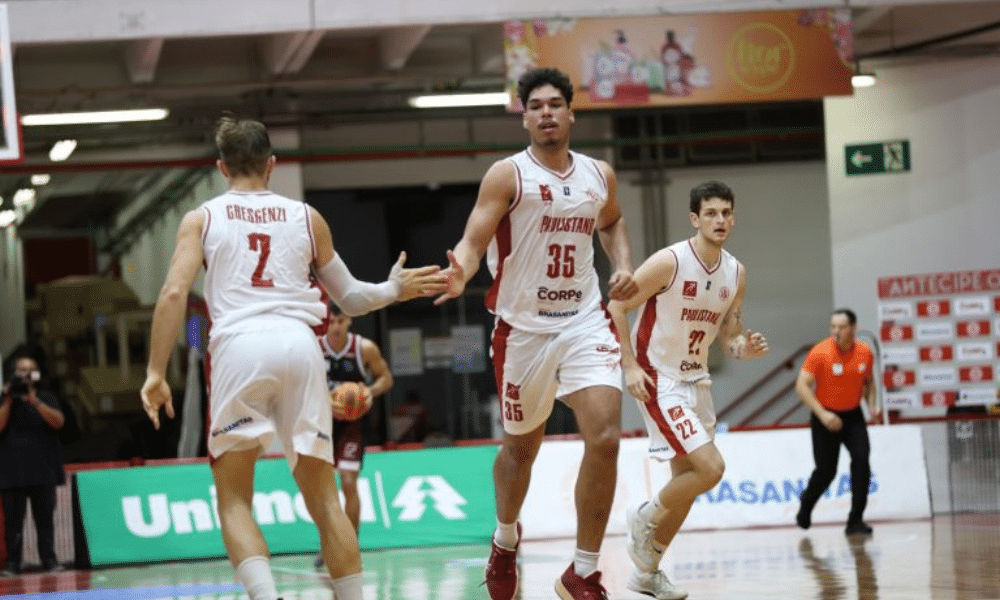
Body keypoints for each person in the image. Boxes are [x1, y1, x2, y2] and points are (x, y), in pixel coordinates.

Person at [140, 116, 446, 600]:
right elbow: (350, 297)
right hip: (301, 345)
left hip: (239, 346)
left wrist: (156, 373)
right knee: (325, 499)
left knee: (234, 499)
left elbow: (175, 293)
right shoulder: (306, 217)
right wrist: (392, 289)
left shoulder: (201, 218)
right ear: (272, 165)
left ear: (222, 168)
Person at [435, 67, 638, 600]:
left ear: (571, 113)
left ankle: (582, 572)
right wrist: (461, 270)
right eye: (536, 106)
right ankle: (505, 540)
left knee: (606, 438)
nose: (546, 113)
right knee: (520, 452)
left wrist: (622, 264)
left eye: (555, 104)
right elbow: (474, 239)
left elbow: (612, 222)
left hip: (584, 320)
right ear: (524, 118)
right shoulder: (508, 175)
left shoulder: (598, 174)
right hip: (522, 330)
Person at [607, 180, 770, 600]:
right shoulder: (670, 262)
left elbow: (729, 339)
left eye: (726, 213)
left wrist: (745, 348)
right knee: (711, 469)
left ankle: (647, 572)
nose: (720, 220)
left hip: (698, 380)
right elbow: (616, 306)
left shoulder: (736, 273)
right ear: (695, 219)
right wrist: (629, 366)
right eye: (711, 213)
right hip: (659, 378)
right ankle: (643, 515)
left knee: (689, 483)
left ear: (733, 218)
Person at [314, 303, 392, 568]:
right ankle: (328, 544)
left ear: (348, 320)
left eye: (340, 321)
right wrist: (324, 398)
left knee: (348, 482)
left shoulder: (364, 348)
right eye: (331, 322)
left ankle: (350, 544)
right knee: (322, 488)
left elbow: (386, 378)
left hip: (352, 425)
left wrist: (370, 391)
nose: (336, 327)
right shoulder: (314, 347)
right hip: (322, 424)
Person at [795, 308, 877, 535]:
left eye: (841, 327)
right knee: (826, 471)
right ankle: (806, 504)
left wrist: (872, 405)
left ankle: (855, 520)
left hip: (853, 416)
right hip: (825, 416)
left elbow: (869, 383)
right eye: (833, 326)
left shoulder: (865, 352)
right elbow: (801, 386)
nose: (836, 331)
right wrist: (823, 415)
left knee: (862, 461)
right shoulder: (820, 352)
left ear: (853, 328)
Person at [0, 352, 67, 575]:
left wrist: (33, 401)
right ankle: (13, 563)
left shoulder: (46, 397)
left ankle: (50, 560)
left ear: (37, 374)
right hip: (12, 472)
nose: (27, 374)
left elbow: (59, 422)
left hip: (43, 470)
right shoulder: (5, 399)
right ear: (13, 374)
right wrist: (9, 399)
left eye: (31, 370)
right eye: (22, 370)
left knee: (45, 520)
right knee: (13, 522)